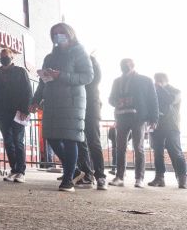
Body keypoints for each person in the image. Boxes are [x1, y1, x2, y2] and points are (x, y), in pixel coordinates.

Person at [30, 23, 93, 192]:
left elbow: (88, 76)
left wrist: (61, 75)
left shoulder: (79, 52)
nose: (58, 36)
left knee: (69, 138)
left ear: (70, 33)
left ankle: (68, 180)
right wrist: (36, 100)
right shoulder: (50, 57)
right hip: (52, 101)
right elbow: (42, 81)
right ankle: (75, 170)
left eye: (61, 32)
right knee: (51, 137)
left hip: (72, 102)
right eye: (55, 34)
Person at [108, 59, 158, 188]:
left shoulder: (145, 80)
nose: (124, 67)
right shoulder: (117, 81)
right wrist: (116, 102)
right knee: (120, 147)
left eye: (127, 65)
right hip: (121, 117)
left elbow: (153, 99)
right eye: (122, 65)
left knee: (139, 148)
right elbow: (111, 99)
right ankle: (119, 177)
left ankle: (139, 178)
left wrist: (154, 119)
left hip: (139, 118)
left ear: (133, 66)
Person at [0, 48, 32, 183]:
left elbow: (27, 91)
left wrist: (26, 110)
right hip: (2, 114)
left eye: (6, 56)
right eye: (2, 56)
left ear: (12, 58)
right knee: (8, 142)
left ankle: (21, 171)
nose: (4, 58)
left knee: (18, 141)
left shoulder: (20, 72)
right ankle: (14, 169)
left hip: (18, 113)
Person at [75, 54, 107, 190]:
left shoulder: (92, 71)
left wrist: (90, 61)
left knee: (94, 141)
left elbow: (96, 77)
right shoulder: (76, 69)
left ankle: (100, 176)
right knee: (80, 142)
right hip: (77, 108)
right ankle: (87, 174)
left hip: (91, 109)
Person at [148, 73, 186, 188]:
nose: (157, 82)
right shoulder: (154, 92)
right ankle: (159, 178)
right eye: (156, 80)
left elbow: (170, 100)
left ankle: (182, 178)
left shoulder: (176, 91)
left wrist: (160, 88)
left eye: (159, 80)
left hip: (172, 126)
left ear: (165, 80)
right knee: (157, 153)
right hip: (157, 126)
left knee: (176, 153)